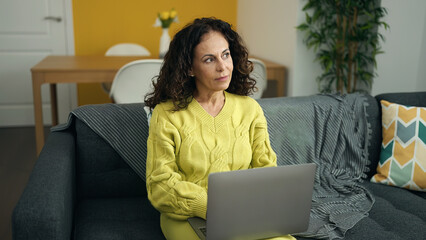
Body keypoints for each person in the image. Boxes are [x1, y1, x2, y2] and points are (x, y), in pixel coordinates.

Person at [145, 17, 295, 240]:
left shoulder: (250, 109)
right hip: (187, 216)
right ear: (190, 69)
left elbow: (266, 171)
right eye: (209, 59)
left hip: (244, 213)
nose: (223, 66)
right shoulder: (166, 115)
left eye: (226, 55)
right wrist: (210, 206)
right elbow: (160, 185)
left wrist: (251, 208)